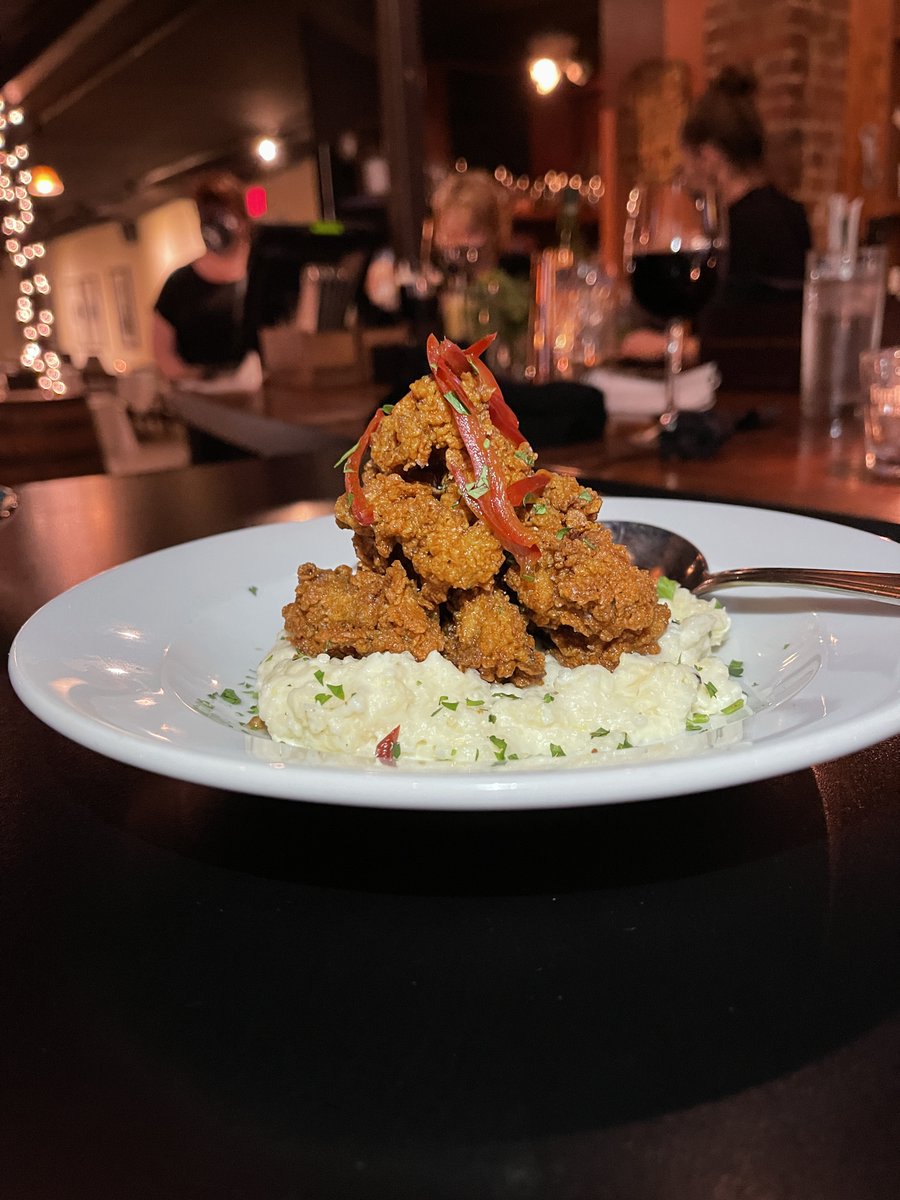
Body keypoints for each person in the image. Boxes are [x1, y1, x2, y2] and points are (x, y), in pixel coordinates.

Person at [621, 66, 812, 386]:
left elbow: (754, 343)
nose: (684, 171)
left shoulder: (742, 228)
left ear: (708, 156)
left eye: (686, 158)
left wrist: (667, 347)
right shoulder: (793, 214)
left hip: (744, 397)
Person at [152, 172, 263, 392]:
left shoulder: (262, 273)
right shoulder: (179, 284)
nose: (215, 224)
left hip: (263, 405)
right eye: (207, 216)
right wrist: (202, 379)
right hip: (204, 408)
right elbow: (163, 354)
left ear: (243, 219)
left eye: (224, 214)